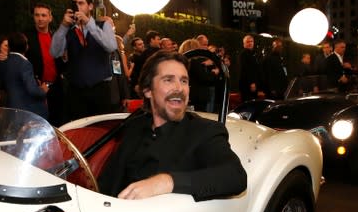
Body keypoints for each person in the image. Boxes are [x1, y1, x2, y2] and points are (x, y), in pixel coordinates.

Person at [98, 50, 247, 200]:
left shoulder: (204, 131)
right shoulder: (134, 126)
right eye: (168, 80)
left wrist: (165, 182)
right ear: (148, 90)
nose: (179, 88)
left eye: (184, 81)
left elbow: (235, 176)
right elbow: (107, 183)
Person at [50, 0, 117, 121]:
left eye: (81, 3)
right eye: (75, 4)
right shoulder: (68, 30)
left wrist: (89, 23)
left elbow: (111, 46)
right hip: (76, 92)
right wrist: (63, 26)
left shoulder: (103, 25)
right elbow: (54, 52)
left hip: (100, 90)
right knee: (79, 132)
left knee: (100, 129)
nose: (78, 7)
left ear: (90, 6)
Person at [25, 3, 65, 125]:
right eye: (37, 15)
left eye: (43, 15)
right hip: (38, 88)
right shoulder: (26, 37)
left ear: (50, 18)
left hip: (56, 87)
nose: (40, 18)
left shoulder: (56, 36)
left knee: (58, 124)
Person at [0, 31, 49, 119]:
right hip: (28, 111)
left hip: (12, 108)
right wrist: (42, 90)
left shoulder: (5, 62)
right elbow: (32, 90)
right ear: (26, 46)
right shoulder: (24, 64)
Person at [235, 34, 261, 101]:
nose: (250, 43)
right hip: (247, 85)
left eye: (251, 41)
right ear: (244, 44)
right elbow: (245, 69)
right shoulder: (243, 54)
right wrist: (251, 83)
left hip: (252, 84)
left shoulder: (253, 54)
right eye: (248, 42)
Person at [109, 34, 131, 112]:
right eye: (122, 43)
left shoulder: (116, 54)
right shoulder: (120, 54)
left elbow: (118, 72)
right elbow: (124, 73)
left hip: (115, 96)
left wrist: (124, 95)